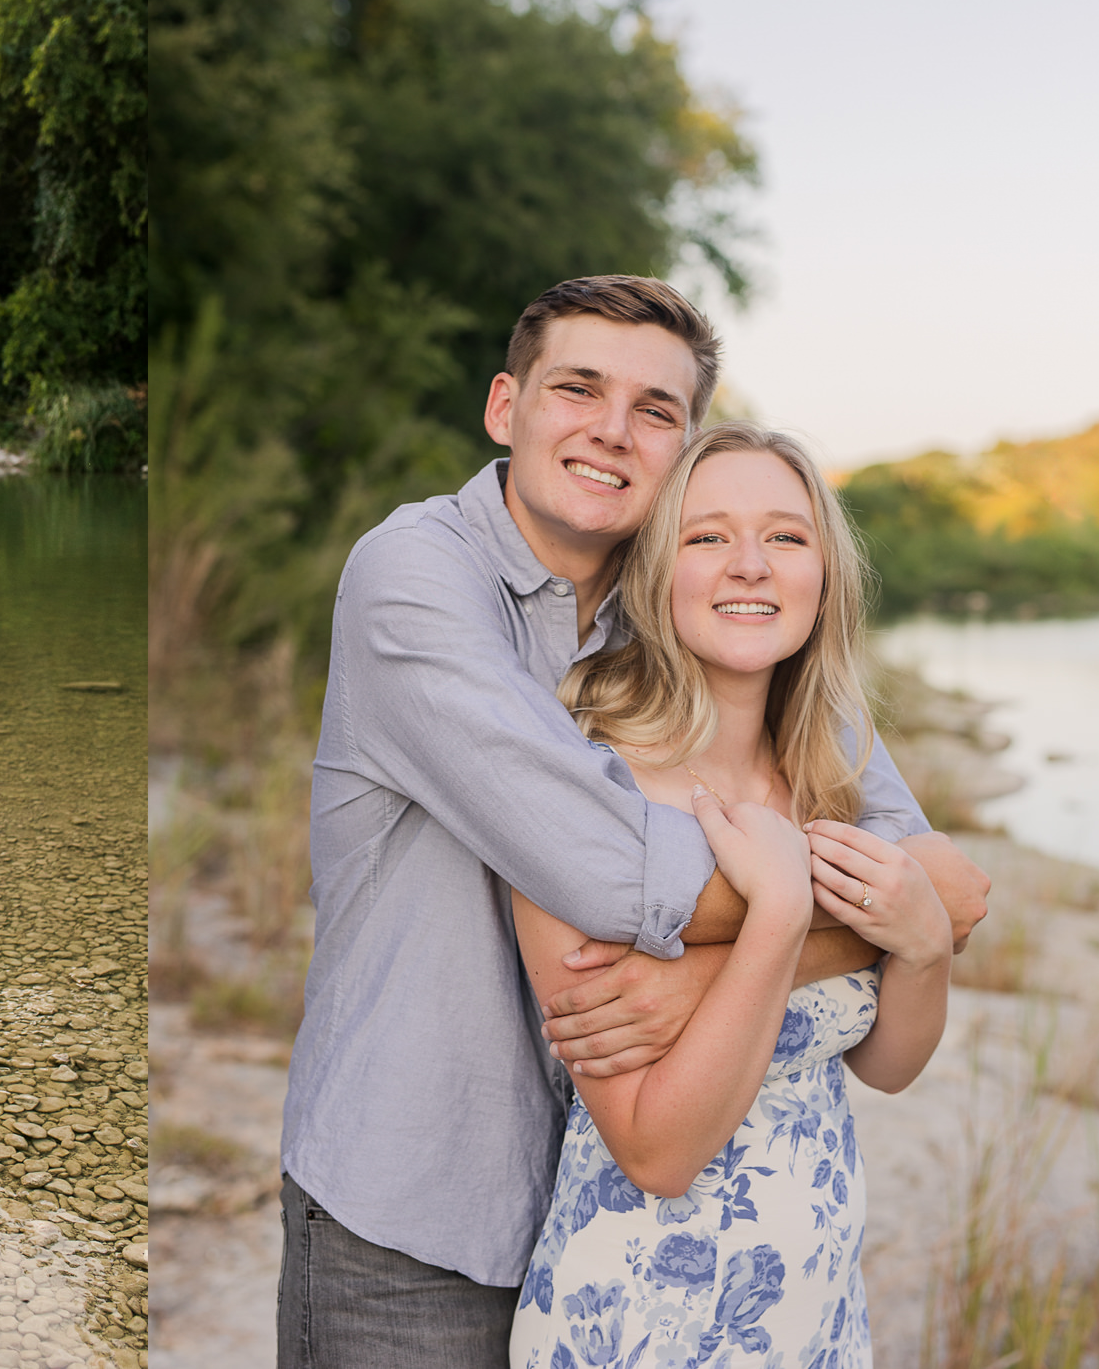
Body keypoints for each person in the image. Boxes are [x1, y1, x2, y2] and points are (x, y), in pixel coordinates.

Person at [276, 276, 990, 1368]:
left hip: (608, 1206)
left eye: (654, 410)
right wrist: (828, 919)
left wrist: (705, 975)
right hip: (416, 1202)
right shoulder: (415, 577)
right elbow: (612, 872)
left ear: (684, 449)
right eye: (577, 389)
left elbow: (942, 884)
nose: (612, 430)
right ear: (503, 408)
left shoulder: (704, 619)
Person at [509, 420, 950, 1365]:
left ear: (823, 573)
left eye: (786, 537)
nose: (750, 564)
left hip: (818, 1313)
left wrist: (922, 945)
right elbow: (656, 1152)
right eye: (708, 536)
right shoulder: (584, 780)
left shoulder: (831, 767)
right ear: (656, 569)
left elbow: (884, 1066)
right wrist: (779, 919)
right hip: (639, 1319)